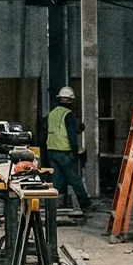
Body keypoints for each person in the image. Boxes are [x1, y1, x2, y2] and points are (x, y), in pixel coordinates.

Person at [40, 85, 93, 215]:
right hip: (64, 151)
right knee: (74, 178)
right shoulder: (68, 114)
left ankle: (54, 205)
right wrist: (75, 153)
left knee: (57, 179)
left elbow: (57, 130)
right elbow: (70, 136)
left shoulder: (52, 114)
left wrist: (77, 128)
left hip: (52, 150)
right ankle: (85, 204)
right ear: (70, 101)